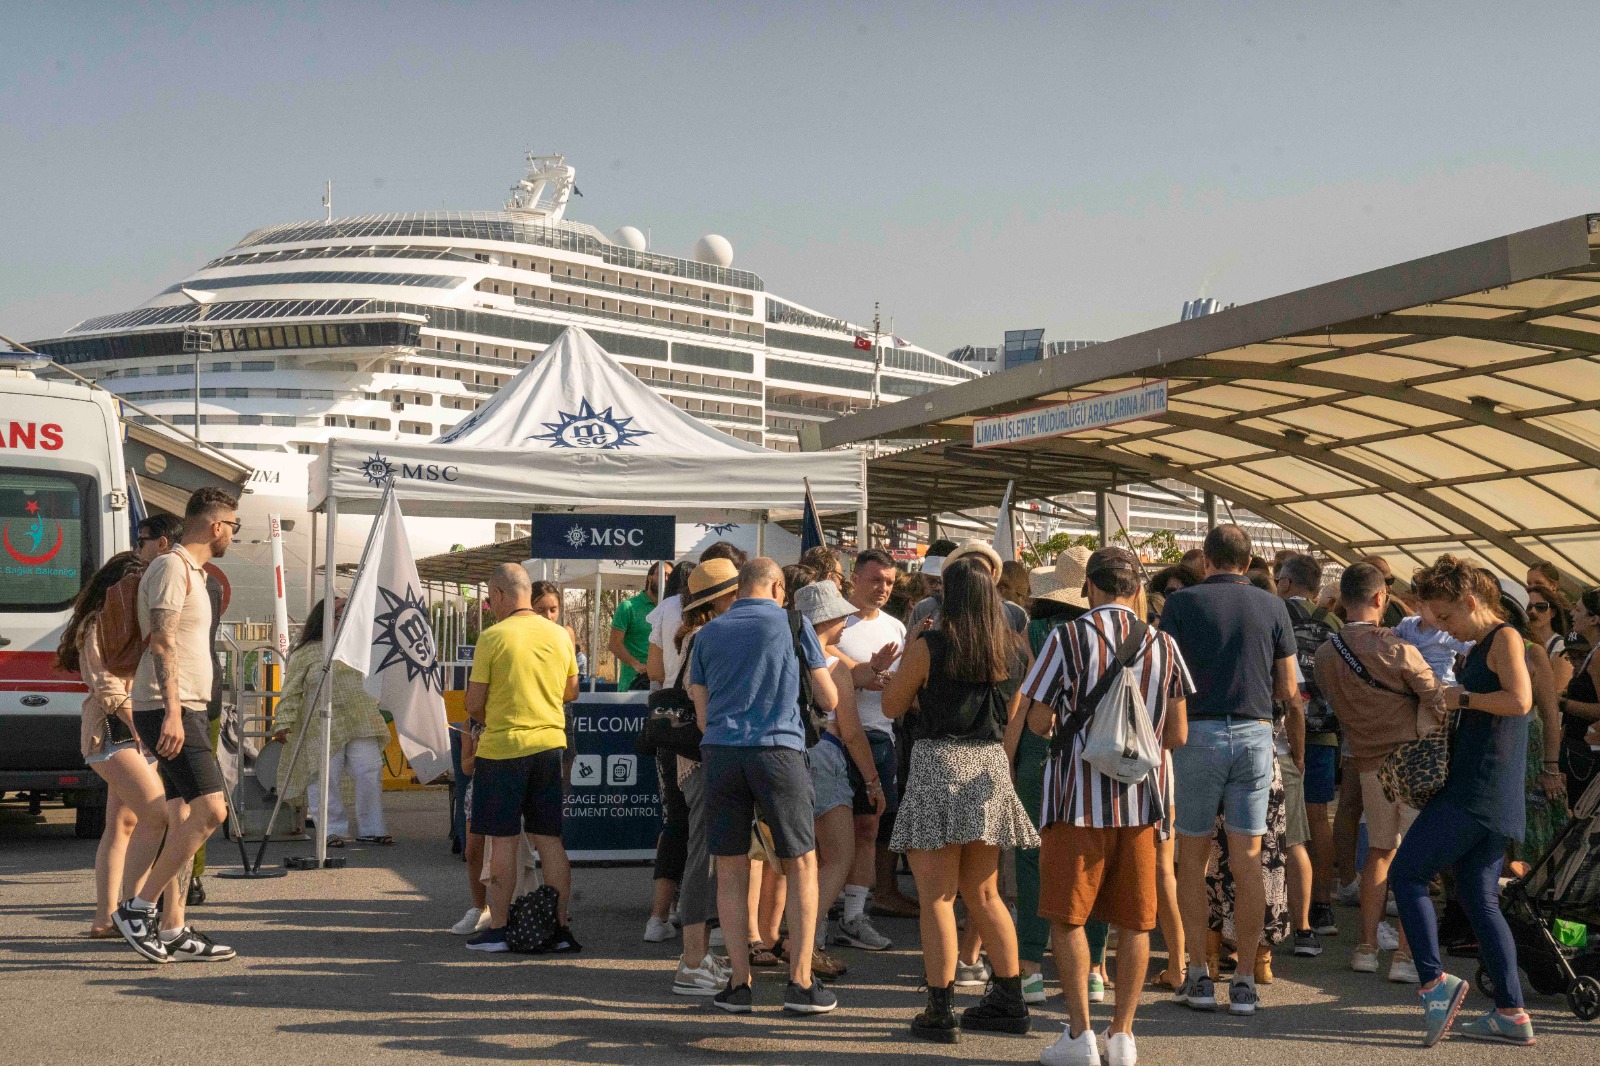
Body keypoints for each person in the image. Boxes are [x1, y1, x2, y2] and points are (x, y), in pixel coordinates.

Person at [1023, 547, 1191, 1066]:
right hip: (1143, 801)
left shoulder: (1066, 637)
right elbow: (1178, 734)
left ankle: (1080, 1036)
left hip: (1076, 799)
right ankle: (1124, 1036)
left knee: (1067, 917)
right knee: (1137, 922)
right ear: (1137, 589)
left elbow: (1037, 721)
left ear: (1087, 588)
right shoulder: (1163, 643)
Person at [882, 557, 1039, 1043]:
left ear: (947, 596)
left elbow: (891, 706)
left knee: (938, 898)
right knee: (986, 893)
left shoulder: (931, 644)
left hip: (938, 762)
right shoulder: (1015, 650)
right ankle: (1010, 998)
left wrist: (908, 659)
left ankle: (939, 1007)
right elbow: (1015, 714)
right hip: (989, 765)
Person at [1389, 556, 1534, 1047]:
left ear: (1472, 602)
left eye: (1447, 618)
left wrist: (1461, 699)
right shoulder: (1484, 645)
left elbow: (1521, 701)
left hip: (1478, 789)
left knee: (1406, 873)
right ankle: (1512, 1012)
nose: (1445, 630)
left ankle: (1435, 985)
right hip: (1492, 790)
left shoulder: (1505, 638)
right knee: (1478, 896)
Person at [1159, 523, 1298, 1017]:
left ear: (1207, 561)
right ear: (1248, 560)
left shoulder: (1181, 604)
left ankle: (1198, 974)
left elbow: (1164, 674)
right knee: (1248, 858)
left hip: (1196, 735)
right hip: (1256, 735)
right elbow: (1287, 688)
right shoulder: (1273, 605)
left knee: (1192, 860)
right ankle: (1244, 981)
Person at [689, 557, 839, 1015]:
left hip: (721, 753)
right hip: (779, 753)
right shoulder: (794, 625)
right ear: (776, 586)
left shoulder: (706, 633)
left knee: (731, 871)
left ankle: (738, 984)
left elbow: (700, 712)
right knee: (802, 865)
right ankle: (799, 981)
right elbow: (828, 698)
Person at [112, 487, 239, 964]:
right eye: (234, 525)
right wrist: (171, 712)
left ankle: (173, 928)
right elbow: (162, 642)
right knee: (211, 811)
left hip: (183, 706)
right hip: (170, 708)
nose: (232, 534)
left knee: (184, 814)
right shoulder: (172, 567)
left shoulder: (192, 572)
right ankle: (137, 908)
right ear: (216, 526)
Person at [1314, 562, 1443, 984]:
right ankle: (1406, 955)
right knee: (1414, 858)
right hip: (1411, 760)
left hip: (1366, 760)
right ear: (1378, 599)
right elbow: (1435, 697)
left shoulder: (1326, 653)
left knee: (1379, 852)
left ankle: (1366, 947)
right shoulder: (1394, 647)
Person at [463, 563, 580, 954]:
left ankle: (499, 928)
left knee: (503, 842)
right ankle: (560, 927)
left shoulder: (493, 638)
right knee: (550, 841)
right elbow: (571, 691)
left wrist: (495, 716)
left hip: (503, 750)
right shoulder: (561, 636)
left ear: (498, 595)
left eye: (490, 599)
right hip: (550, 746)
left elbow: (474, 704)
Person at [57, 551, 171, 939]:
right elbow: (103, 683)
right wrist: (137, 721)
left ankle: (107, 917)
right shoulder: (95, 623)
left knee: (122, 824)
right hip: (112, 731)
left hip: (135, 729)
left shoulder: (136, 621)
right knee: (157, 814)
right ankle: (132, 912)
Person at [790, 580, 884, 979]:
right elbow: (851, 732)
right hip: (825, 757)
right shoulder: (833, 666)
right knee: (838, 857)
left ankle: (790, 939)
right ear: (824, 619)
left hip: (788, 755)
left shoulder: (787, 654)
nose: (846, 621)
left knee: (800, 860)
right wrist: (873, 781)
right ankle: (807, 946)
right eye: (840, 615)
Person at [665, 559, 740, 996]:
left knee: (710, 857)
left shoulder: (696, 635)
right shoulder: (703, 637)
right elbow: (702, 708)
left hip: (698, 758)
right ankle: (692, 959)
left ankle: (698, 955)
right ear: (720, 601)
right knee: (702, 858)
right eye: (736, 595)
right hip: (703, 759)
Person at [828, 549, 905, 951]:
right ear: (854, 579)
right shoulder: (835, 623)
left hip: (878, 737)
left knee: (869, 828)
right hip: (833, 740)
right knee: (827, 833)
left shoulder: (896, 628)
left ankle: (854, 916)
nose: (883, 589)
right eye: (876, 580)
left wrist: (894, 685)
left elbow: (904, 685)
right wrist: (863, 677)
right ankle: (819, 913)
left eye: (890, 582)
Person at [271, 599, 392, 846]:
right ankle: (330, 831)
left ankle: (372, 828)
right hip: (320, 723)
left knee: (369, 770)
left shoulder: (361, 647)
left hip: (361, 718)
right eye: (341, 614)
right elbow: (291, 690)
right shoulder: (306, 652)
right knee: (325, 776)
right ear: (326, 619)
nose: (348, 618)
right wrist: (283, 721)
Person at [1273, 552, 1340, 953]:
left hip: (1280, 733)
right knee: (1318, 817)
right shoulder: (1332, 623)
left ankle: (1282, 904)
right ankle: (1323, 906)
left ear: (1285, 583)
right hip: (1323, 732)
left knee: (1280, 825)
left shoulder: (1275, 614)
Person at [911, 540, 1028, 634]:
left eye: (980, 571)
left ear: (992, 573)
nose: (973, 575)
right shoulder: (925, 608)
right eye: (932, 581)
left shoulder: (1015, 613)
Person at [1559, 588, 1600, 805]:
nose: (1572, 614)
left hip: (1587, 756)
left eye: (1578, 609)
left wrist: (1562, 703)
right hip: (1579, 752)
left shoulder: (1598, 657)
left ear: (1594, 619)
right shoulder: (1592, 652)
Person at [611, 561, 670, 690]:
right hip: (634, 685)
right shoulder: (628, 607)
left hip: (664, 686)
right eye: (661, 574)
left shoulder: (672, 610)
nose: (665, 579)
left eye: (669, 576)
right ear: (649, 577)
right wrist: (635, 664)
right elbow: (615, 644)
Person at [1526, 584, 1573, 694]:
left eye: (1541, 607)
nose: (1533, 611)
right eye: (1528, 607)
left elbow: (1557, 691)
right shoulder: (1520, 641)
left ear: (1552, 612)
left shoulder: (1560, 647)